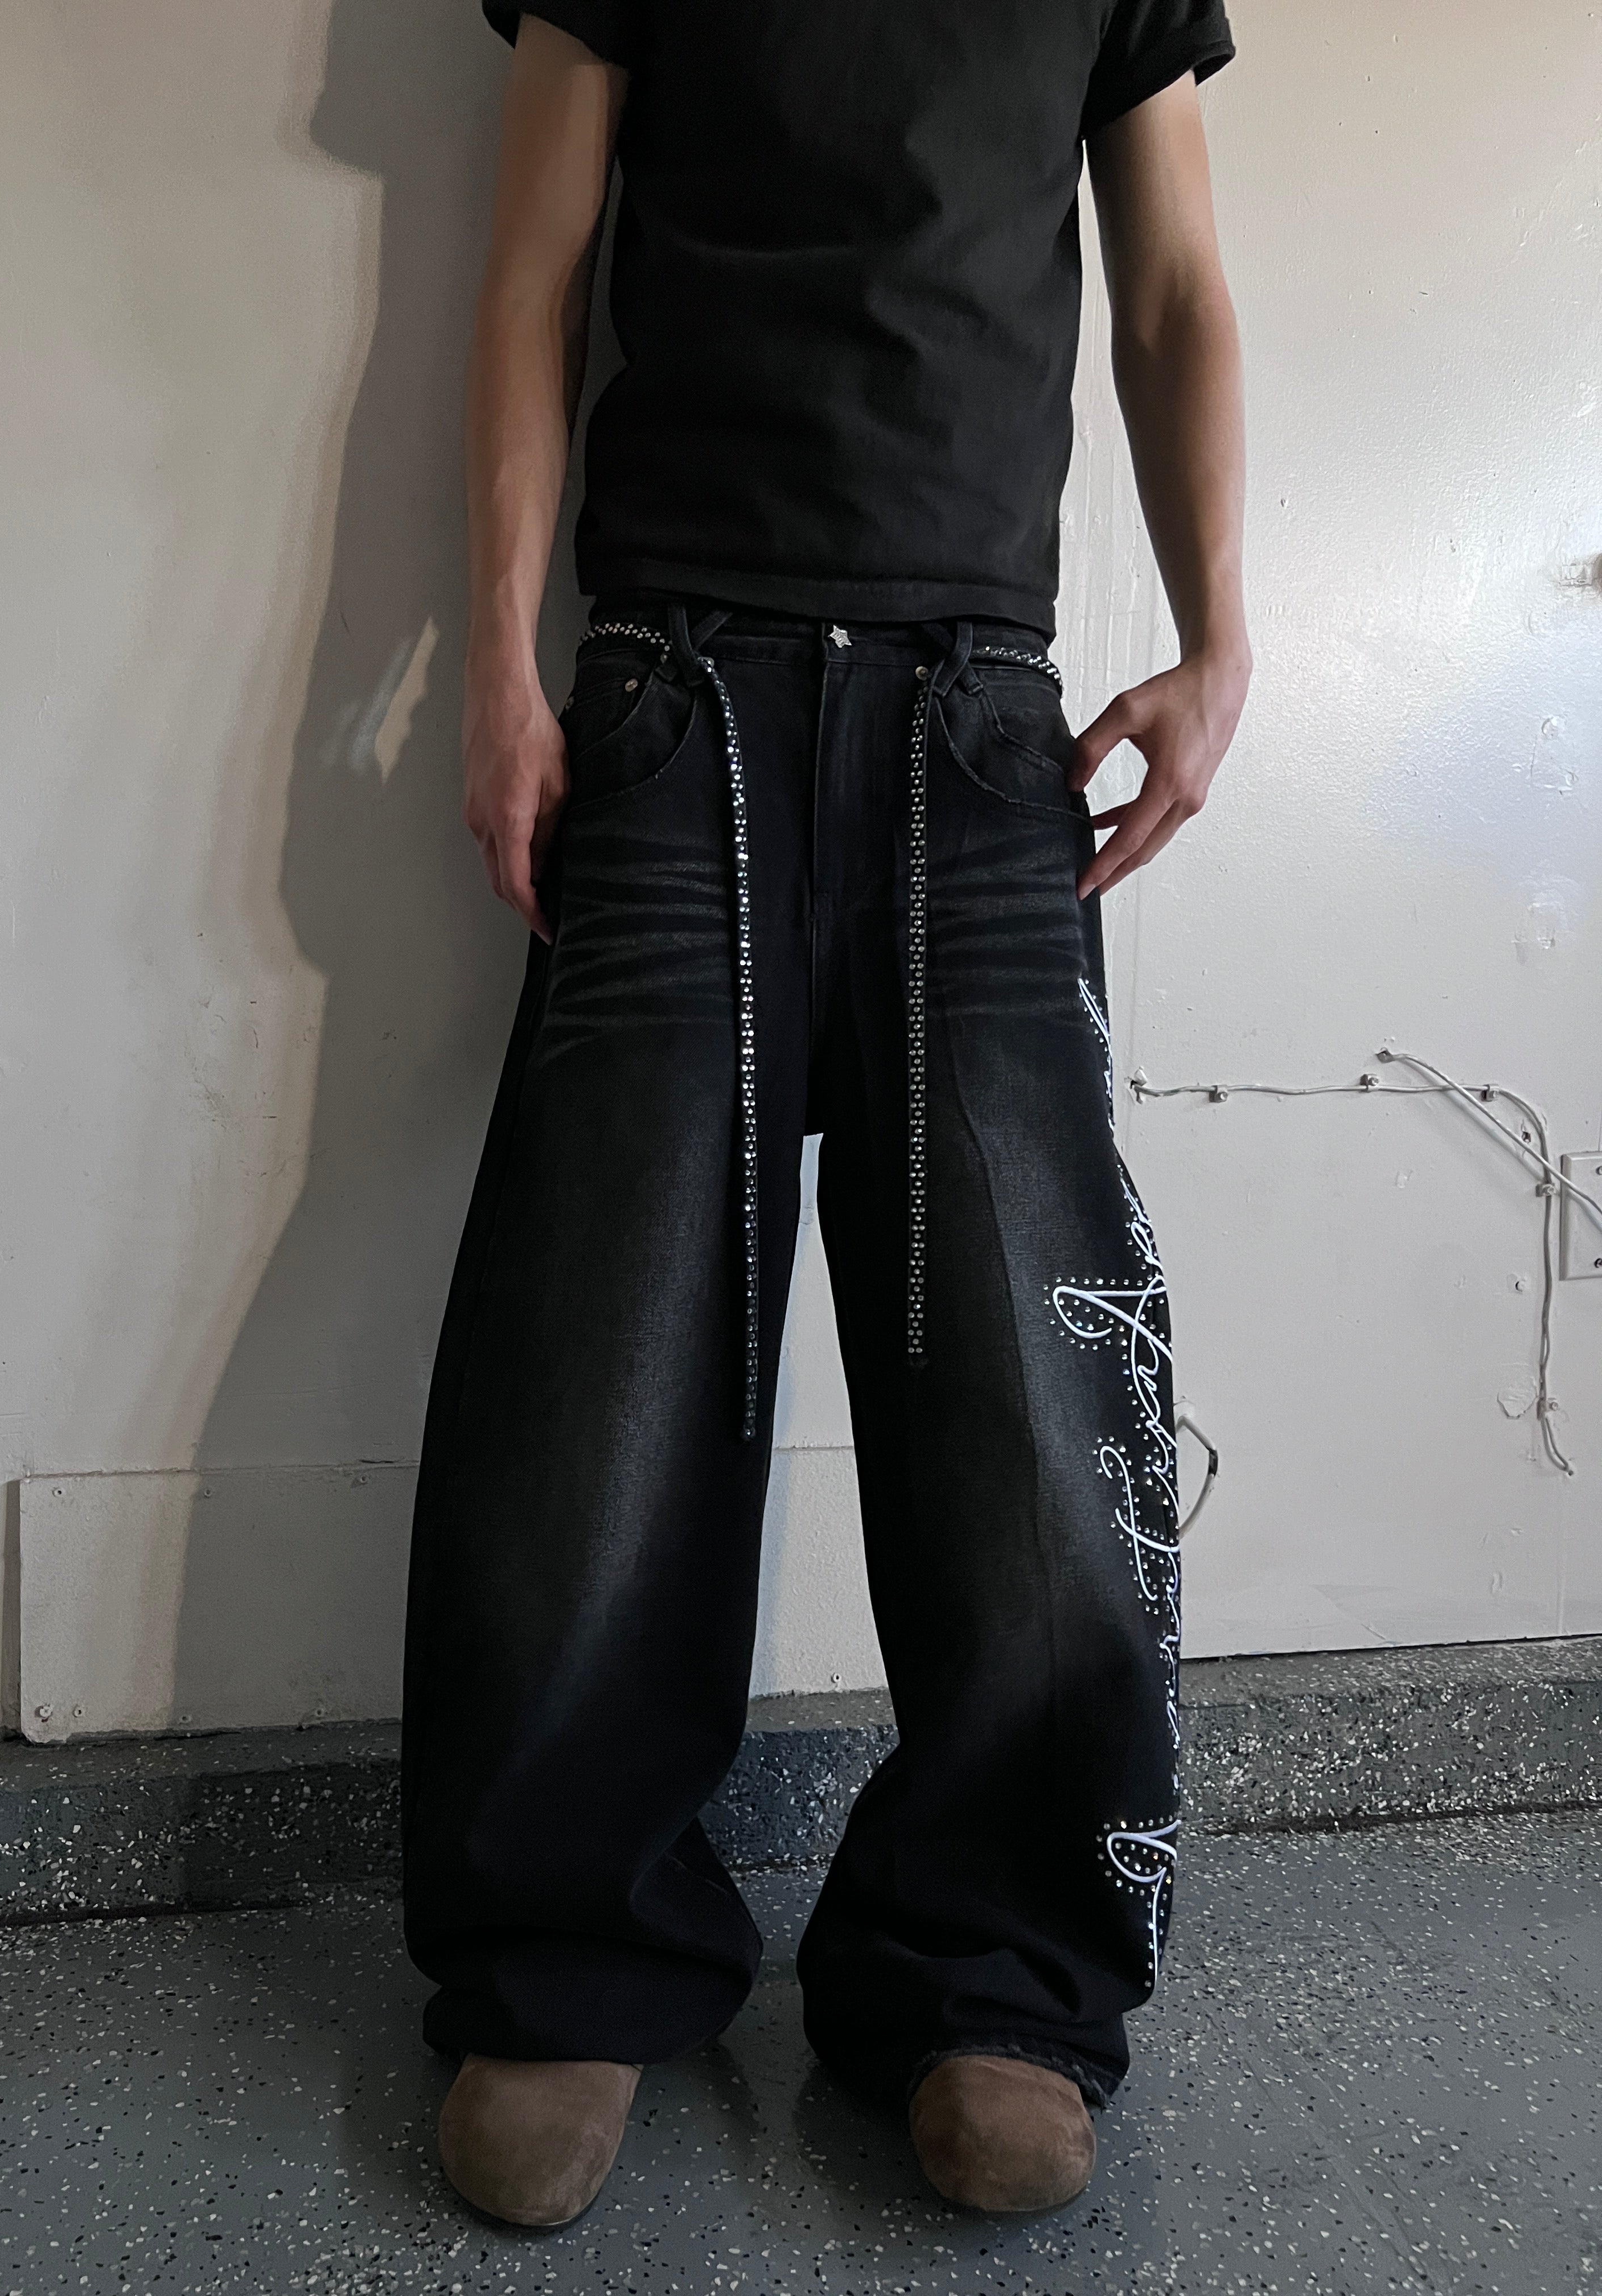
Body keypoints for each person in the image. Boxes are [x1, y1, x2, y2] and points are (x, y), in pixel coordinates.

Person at [403, 0, 1249, 2229]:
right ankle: (564, 1966)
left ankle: (998, 1980)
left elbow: (1172, 282)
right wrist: (496, 665)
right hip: (672, 690)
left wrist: (1220, 635)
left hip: (983, 721)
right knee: (597, 1373)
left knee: (1031, 1398)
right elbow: (531, 275)